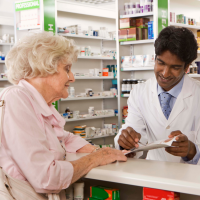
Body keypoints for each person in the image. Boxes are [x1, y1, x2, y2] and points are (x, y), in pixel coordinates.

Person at [0, 32, 127, 198]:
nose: (72, 77)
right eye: (67, 69)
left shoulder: (38, 103)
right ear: (44, 67)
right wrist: (95, 158)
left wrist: (99, 151)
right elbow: (46, 177)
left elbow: (62, 138)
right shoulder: (16, 98)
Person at [115, 26, 200, 164]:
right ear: (155, 59)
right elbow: (135, 142)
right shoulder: (139, 93)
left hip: (193, 180)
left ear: (186, 67)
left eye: (175, 67)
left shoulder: (197, 94)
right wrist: (126, 141)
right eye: (161, 63)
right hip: (154, 176)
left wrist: (191, 150)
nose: (165, 73)